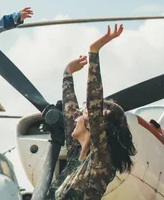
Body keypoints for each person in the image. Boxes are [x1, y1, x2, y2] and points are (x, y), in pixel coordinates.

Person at [48, 24, 137, 200]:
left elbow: (94, 107)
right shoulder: (76, 153)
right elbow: (69, 111)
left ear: (93, 125)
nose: (76, 117)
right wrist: (67, 74)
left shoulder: (100, 160)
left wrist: (93, 52)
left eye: (83, 114)